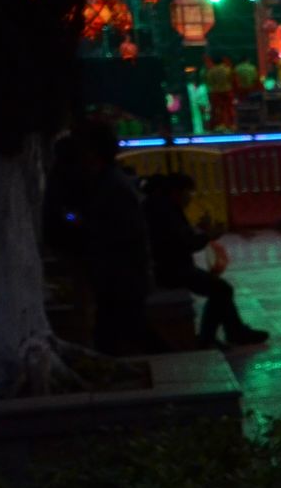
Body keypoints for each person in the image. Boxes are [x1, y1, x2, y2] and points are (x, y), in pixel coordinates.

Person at [63, 122, 161, 356]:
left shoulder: (109, 187)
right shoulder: (110, 182)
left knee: (122, 331)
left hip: (120, 276)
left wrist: (75, 221)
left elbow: (113, 232)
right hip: (121, 275)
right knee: (126, 330)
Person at [144, 173, 268, 349]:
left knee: (220, 288)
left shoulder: (160, 207)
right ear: (177, 192)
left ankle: (234, 331)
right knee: (221, 289)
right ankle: (211, 336)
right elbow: (183, 243)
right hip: (171, 269)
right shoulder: (166, 211)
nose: (190, 198)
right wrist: (207, 235)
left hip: (167, 266)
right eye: (188, 193)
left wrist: (200, 232)